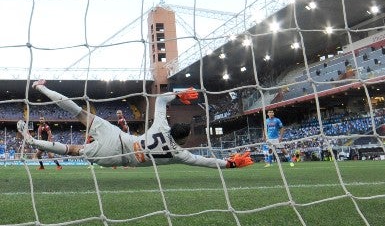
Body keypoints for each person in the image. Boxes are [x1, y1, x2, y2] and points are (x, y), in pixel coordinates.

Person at [17, 80, 253, 169]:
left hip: (118, 137)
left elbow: (160, 99)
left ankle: (41, 87)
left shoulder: (161, 126)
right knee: (73, 150)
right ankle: (31, 140)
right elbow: (206, 161)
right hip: (115, 157)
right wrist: (230, 164)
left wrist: (180, 95)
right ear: (183, 140)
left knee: (81, 113)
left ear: (171, 129)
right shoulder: (180, 154)